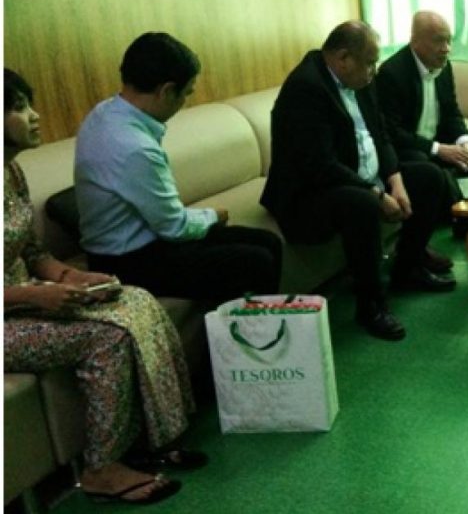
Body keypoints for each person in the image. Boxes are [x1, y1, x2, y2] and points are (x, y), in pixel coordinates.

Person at [4, 69, 206, 505]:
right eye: (18, 108)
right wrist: (36, 295)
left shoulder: (11, 172)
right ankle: (101, 469)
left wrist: (71, 277)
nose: (35, 115)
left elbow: (33, 250)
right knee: (107, 336)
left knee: (136, 298)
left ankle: (156, 437)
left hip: (25, 299)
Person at [260, 20, 454, 342]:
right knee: (361, 204)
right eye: (369, 63)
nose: (374, 71)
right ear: (343, 58)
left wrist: (395, 179)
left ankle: (408, 268)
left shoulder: (359, 79)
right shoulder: (306, 89)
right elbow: (320, 165)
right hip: (308, 194)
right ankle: (371, 305)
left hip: (356, 175)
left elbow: (380, 132)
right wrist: (377, 193)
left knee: (429, 177)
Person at [74, 32, 282, 301]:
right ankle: (246, 327)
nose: (184, 103)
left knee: (268, 243)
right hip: (127, 261)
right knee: (256, 261)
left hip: (135, 240)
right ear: (166, 91)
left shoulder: (104, 112)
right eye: (186, 94)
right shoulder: (134, 147)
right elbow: (175, 227)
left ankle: (262, 320)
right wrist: (213, 215)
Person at [376, 10, 468, 241]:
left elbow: (451, 111)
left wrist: (463, 142)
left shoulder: (444, 66)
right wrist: (438, 149)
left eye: (449, 40)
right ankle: (460, 221)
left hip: (435, 140)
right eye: (439, 41)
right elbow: (392, 133)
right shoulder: (392, 73)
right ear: (415, 41)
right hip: (408, 149)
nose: (446, 48)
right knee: (427, 165)